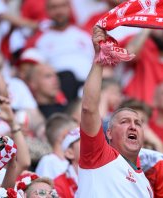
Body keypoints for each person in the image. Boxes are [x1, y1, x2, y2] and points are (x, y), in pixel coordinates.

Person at [76, 26, 152, 197]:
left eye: (138, 123)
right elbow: (89, 108)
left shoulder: (145, 182)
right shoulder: (98, 155)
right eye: (124, 121)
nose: (133, 126)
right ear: (108, 133)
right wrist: (99, 60)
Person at [35, 113, 77, 179]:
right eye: (75, 135)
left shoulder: (73, 162)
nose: (78, 139)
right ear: (65, 135)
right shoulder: (48, 161)